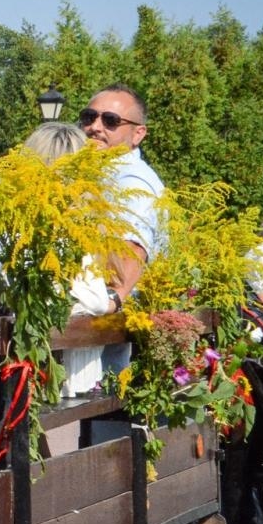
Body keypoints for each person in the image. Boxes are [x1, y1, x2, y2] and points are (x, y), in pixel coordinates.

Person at [21, 122, 113, 399]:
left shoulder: (22, 219)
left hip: (49, 359)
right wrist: (116, 301)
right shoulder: (69, 228)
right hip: (64, 367)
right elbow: (95, 300)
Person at [78, 85, 164, 374]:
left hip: (114, 335)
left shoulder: (132, 182)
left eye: (110, 120)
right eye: (89, 117)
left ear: (138, 134)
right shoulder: (97, 174)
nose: (95, 127)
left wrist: (110, 301)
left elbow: (131, 253)